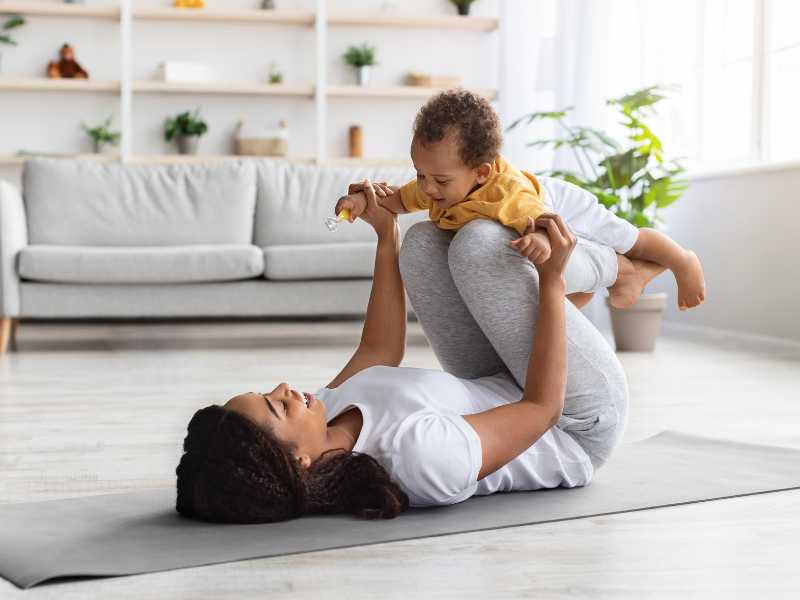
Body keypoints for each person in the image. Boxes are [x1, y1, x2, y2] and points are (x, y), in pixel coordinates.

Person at [175, 180, 629, 524]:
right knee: (479, 247)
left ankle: (593, 287)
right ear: (298, 461)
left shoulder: (326, 415)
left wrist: (385, 233)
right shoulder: (417, 458)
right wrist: (552, 279)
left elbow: (379, 348)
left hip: (503, 380)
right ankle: (626, 267)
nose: (284, 388)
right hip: (576, 422)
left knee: (422, 244)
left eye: (269, 391)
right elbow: (542, 409)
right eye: (277, 406)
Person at [335, 88, 706, 312]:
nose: (427, 188)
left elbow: (543, 219)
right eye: (420, 174)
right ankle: (623, 279)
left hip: (557, 203)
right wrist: (366, 202)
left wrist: (540, 238)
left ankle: (680, 260)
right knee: (551, 308)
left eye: (440, 180)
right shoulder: (434, 186)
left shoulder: (505, 195)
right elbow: (399, 202)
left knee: (627, 238)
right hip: (530, 215)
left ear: (481, 172)